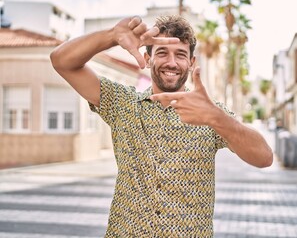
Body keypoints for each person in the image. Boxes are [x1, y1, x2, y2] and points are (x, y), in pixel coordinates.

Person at [50, 15, 273, 237]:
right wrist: (112, 36)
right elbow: (62, 61)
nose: (172, 62)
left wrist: (216, 117)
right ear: (148, 59)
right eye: (162, 53)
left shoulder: (210, 114)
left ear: (192, 63)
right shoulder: (122, 104)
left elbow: (264, 157)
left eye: (181, 55)